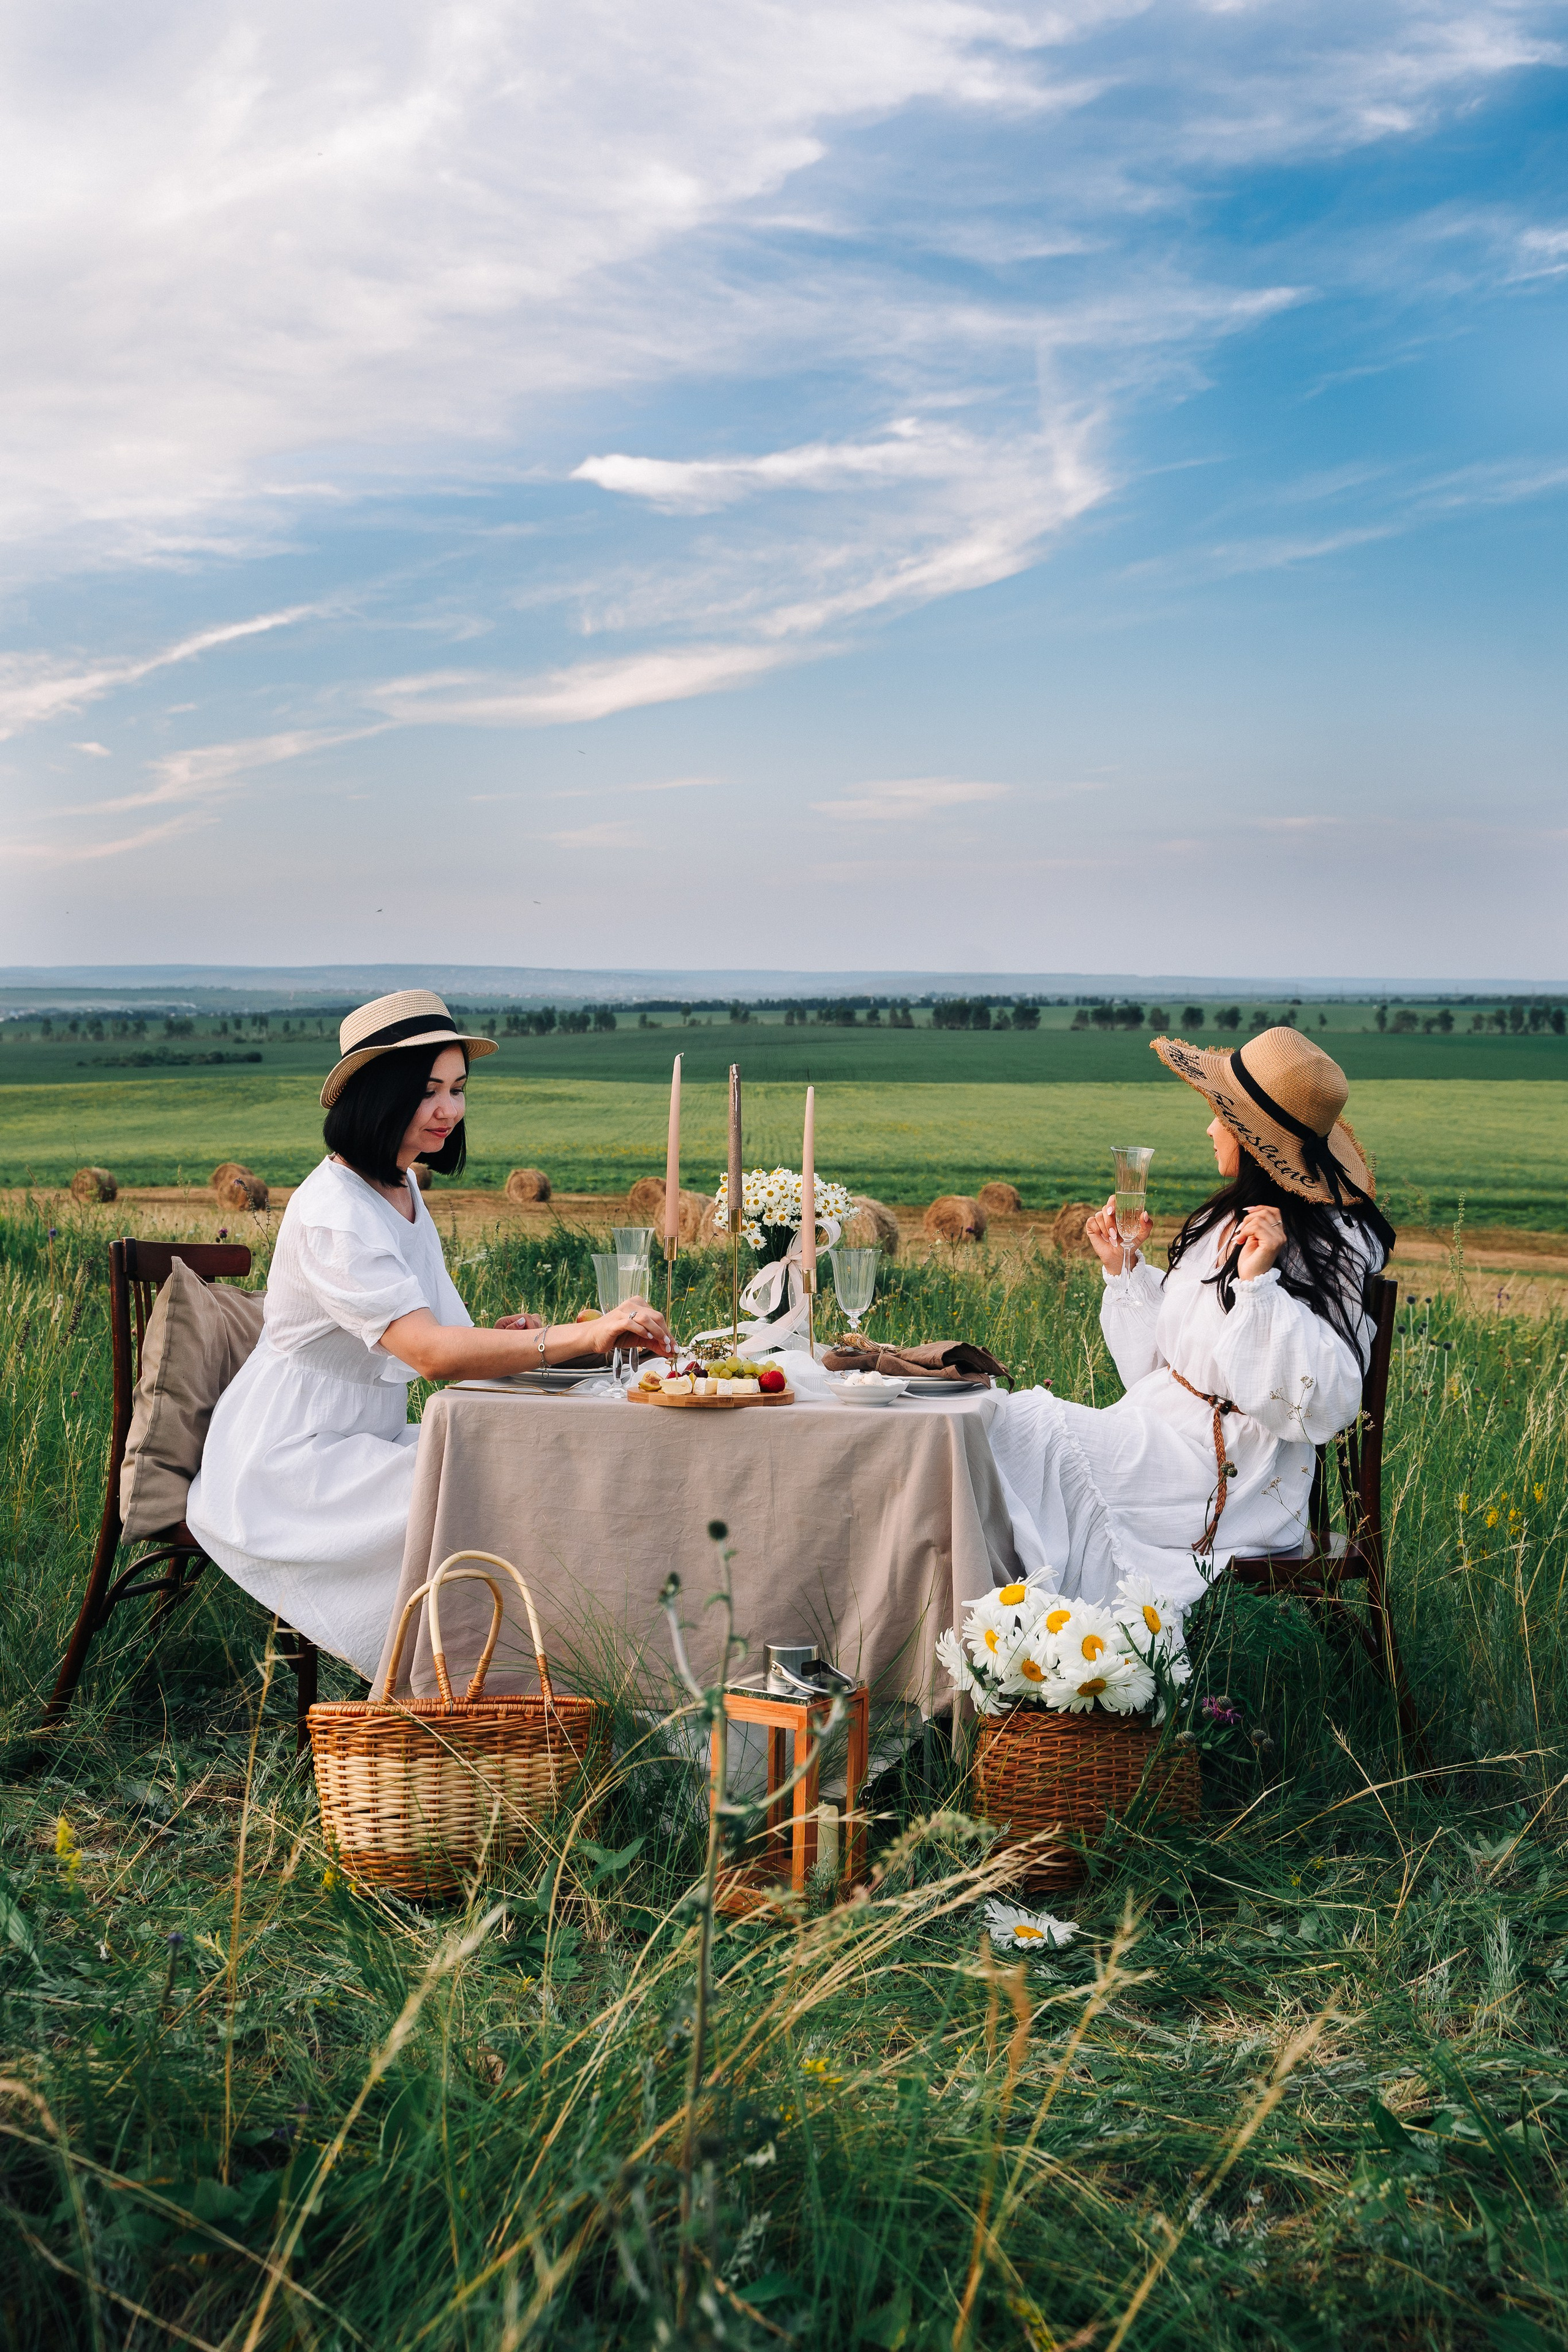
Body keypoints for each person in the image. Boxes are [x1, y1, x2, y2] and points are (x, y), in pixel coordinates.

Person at [186, 990, 671, 1678]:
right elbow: (431, 1355)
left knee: (523, 1465)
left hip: (365, 1442)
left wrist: (512, 1339)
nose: (449, 1110)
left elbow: (455, 1340)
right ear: (378, 1096)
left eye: (458, 1089)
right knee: (490, 1491)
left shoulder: (404, 1191)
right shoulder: (335, 1212)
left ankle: (539, 1681)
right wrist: (572, 1339)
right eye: (428, 1092)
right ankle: (471, 1686)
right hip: (288, 1466)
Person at [987, 1027, 1396, 1613]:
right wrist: (1126, 1271)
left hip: (1233, 1471)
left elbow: (1322, 1404)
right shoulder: (1226, 1219)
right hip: (1170, 1431)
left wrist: (1259, 1287)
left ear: (1254, 1138)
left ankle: (1051, 1655)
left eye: (1219, 1116)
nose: (1209, 1129)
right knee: (997, 1421)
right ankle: (1016, 1644)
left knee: (1029, 1431)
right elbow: (1181, 1356)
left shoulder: (1326, 1241)